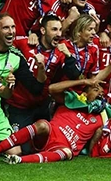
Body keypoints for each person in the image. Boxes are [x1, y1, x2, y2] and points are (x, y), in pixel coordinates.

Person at [0, 78, 111, 164]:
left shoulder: (100, 118)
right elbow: (52, 88)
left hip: (64, 146)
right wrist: (83, 81)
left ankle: (20, 160)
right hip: (50, 134)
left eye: (102, 93)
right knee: (42, 124)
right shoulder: (72, 100)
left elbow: (94, 148)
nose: (100, 94)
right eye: (95, 90)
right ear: (84, 93)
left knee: (67, 153)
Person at [0, 13, 46, 156]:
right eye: (6, 28)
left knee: (15, 152)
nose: (11, 31)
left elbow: (36, 88)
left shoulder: (16, 57)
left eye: (13, 27)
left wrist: (41, 68)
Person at [7, 15, 81, 153]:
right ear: (42, 30)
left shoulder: (61, 51)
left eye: (60, 30)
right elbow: (4, 45)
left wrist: (68, 56)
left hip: (42, 107)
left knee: (46, 147)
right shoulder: (25, 43)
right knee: (23, 150)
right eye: (54, 29)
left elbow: (74, 74)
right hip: (20, 106)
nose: (58, 34)